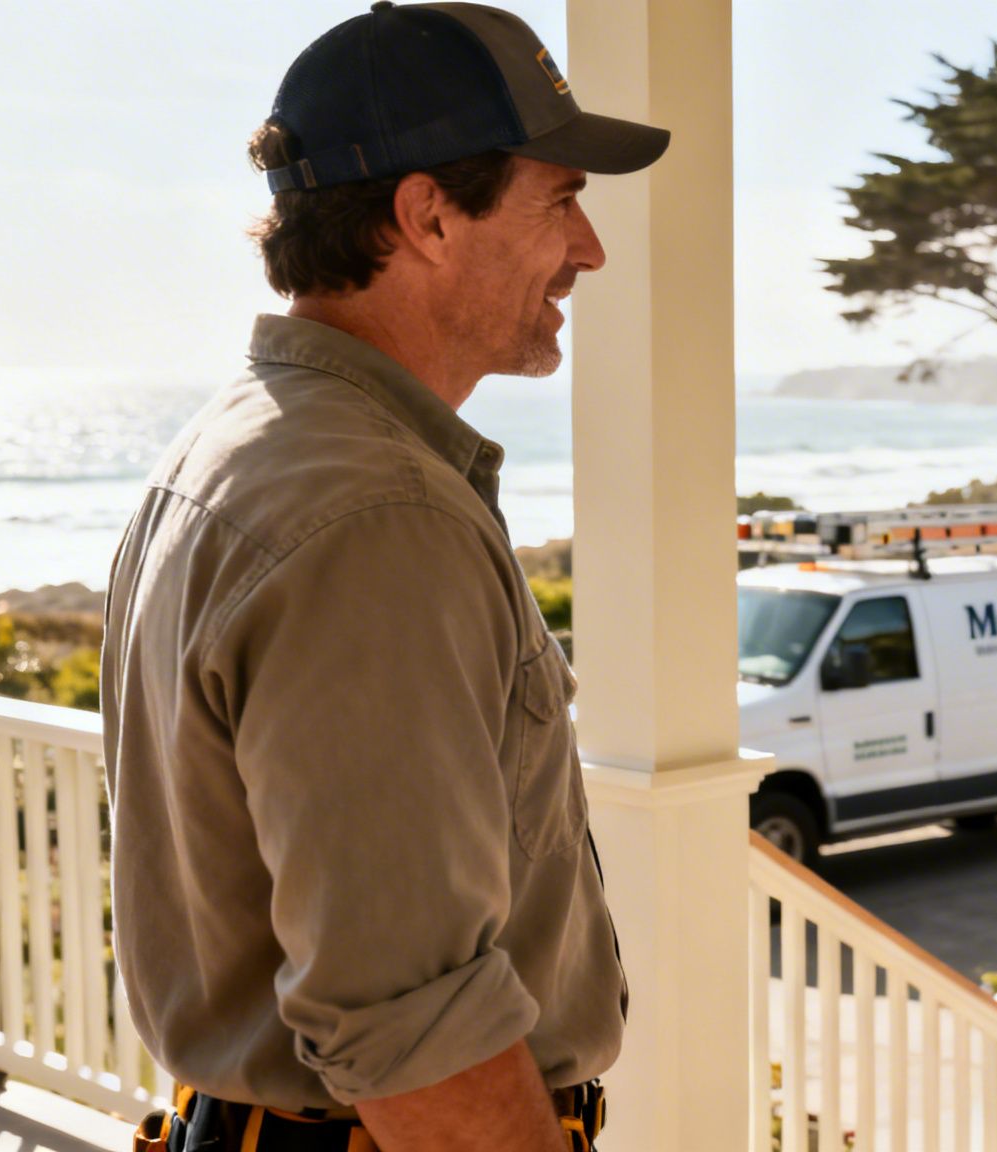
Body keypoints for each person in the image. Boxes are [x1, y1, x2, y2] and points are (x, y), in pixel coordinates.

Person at [100, 4, 668, 1150]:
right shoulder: (377, 516)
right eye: (559, 199)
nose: (589, 249)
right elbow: (413, 1029)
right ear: (428, 216)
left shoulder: (236, 445)